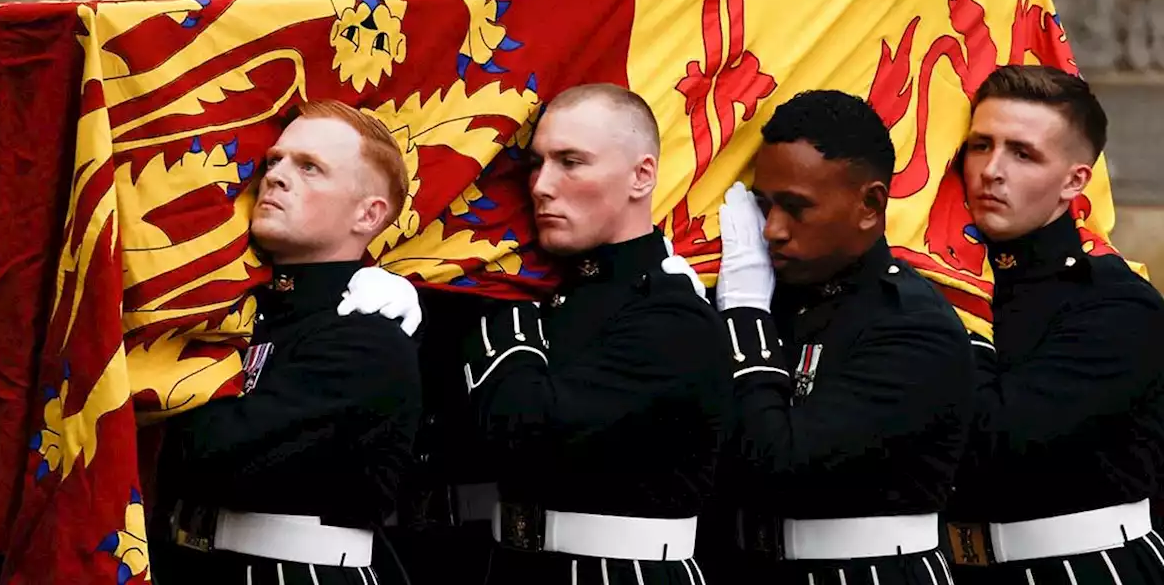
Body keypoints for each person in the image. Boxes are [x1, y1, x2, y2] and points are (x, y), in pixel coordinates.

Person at [697, 90, 974, 585]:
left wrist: (743, 316)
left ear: (869, 204)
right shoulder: (778, 299)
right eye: (763, 206)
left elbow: (778, 464)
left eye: (796, 208)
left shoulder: (913, 326)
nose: (771, 231)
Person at [458, 83, 730, 585]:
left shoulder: (671, 315)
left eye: (571, 162)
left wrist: (502, 304)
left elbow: (523, 431)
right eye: (537, 164)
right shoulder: (558, 291)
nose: (540, 185)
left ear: (641, 176)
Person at [149, 99, 425, 585]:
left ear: (368, 214)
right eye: (274, 160)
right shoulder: (229, 310)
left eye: (310, 168)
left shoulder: (369, 336)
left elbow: (210, 459)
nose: (275, 176)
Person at [946, 65, 1164, 585]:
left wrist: (947, 309)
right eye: (980, 145)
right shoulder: (957, 279)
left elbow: (993, 439)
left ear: (1074, 180)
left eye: (1022, 153)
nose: (991, 170)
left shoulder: (1116, 304)